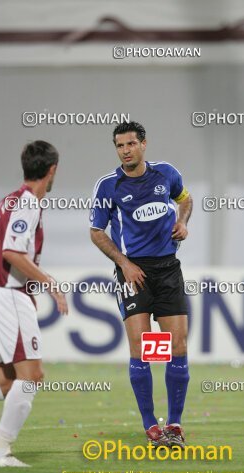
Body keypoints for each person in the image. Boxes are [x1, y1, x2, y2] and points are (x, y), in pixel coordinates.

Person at [90, 121, 193, 448]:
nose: (125, 151)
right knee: (143, 349)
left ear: (144, 144)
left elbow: (186, 200)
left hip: (167, 270)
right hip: (132, 273)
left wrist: (183, 221)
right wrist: (125, 264)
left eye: (130, 144)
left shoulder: (166, 174)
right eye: (120, 146)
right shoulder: (109, 185)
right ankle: (151, 426)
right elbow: (96, 231)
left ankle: (174, 424)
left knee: (176, 347)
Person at [0, 140, 68, 467]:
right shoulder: (28, 204)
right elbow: (11, 252)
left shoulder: (8, 201)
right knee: (32, 375)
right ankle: (0, 452)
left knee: (7, 381)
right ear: (52, 170)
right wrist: (51, 284)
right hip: (7, 295)